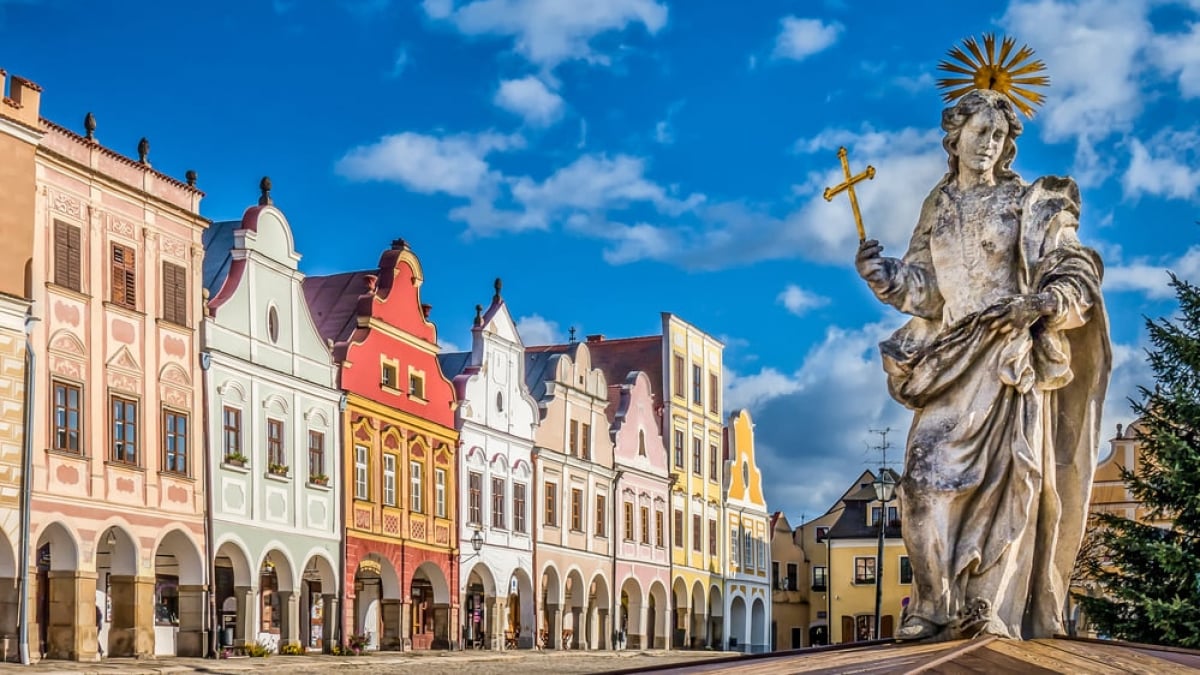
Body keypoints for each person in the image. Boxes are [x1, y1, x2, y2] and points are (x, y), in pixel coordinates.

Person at [855, 88, 1110, 641]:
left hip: (1006, 356)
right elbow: (928, 289)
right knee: (922, 482)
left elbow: (1076, 271)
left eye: (999, 137)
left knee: (1005, 483)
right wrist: (886, 278)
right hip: (952, 357)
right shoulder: (938, 205)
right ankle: (933, 603)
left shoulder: (1029, 203)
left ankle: (986, 605)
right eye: (980, 133)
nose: (989, 145)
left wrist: (1039, 304)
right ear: (956, 136)